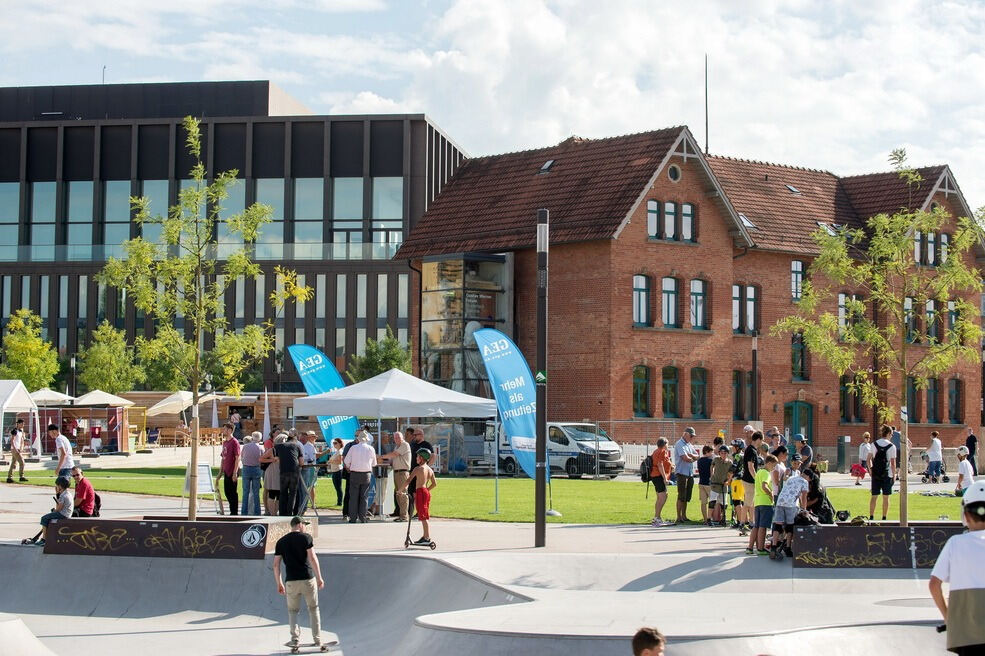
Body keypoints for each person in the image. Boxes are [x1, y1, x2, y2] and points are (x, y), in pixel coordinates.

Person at [928, 480, 985, 654]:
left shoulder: (955, 544)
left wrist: (948, 618)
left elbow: (934, 584)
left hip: (966, 633)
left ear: (966, 515)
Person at [273, 516, 327, 651]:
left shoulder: (281, 542)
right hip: (307, 579)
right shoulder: (306, 538)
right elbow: (313, 558)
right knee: (313, 609)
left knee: (292, 611)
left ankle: (295, 640)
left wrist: (279, 583)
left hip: (291, 581)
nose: (305, 527)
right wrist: (319, 577)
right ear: (299, 524)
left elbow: (275, 565)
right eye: (304, 525)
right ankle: (317, 639)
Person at [770, 454, 809, 559]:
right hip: (791, 504)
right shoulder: (791, 472)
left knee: (778, 524)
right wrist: (804, 509)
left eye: (798, 463)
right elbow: (803, 496)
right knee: (790, 526)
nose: (796, 465)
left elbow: (799, 495)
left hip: (781, 501)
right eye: (795, 463)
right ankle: (787, 547)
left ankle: (774, 546)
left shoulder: (798, 473)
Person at [400, 448, 437, 544]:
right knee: (424, 514)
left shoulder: (418, 469)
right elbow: (434, 484)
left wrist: (400, 490)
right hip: (425, 492)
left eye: (417, 456)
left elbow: (408, 480)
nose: (416, 458)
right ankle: (425, 536)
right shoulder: (429, 469)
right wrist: (427, 490)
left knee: (423, 516)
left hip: (420, 491)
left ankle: (426, 537)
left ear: (421, 458)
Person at [343, 431, 377, 523]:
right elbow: (374, 463)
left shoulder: (353, 448)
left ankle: (353, 518)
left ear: (358, 439)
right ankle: (363, 517)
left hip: (354, 474)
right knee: (364, 497)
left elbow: (346, 461)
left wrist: (350, 467)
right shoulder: (371, 449)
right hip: (366, 474)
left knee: (353, 497)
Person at [378, 431, 411, 521]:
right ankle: (401, 515)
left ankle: (404, 516)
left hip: (402, 473)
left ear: (402, 437)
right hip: (397, 472)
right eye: (395, 438)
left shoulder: (405, 445)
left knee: (402, 494)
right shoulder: (397, 446)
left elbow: (394, 455)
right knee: (398, 494)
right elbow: (393, 458)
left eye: (398, 437)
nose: (396, 439)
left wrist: (381, 457)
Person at [746, 454, 776, 556]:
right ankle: (760, 548)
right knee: (763, 527)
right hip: (765, 502)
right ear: (769, 463)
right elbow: (764, 486)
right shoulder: (766, 473)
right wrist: (771, 494)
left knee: (756, 526)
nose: (774, 468)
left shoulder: (759, 472)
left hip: (758, 501)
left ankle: (750, 547)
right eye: (773, 465)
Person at [868, 425, 897, 521]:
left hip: (876, 473)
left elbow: (868, 460)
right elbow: (893, 463)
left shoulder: (874, 444)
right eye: (891, 434)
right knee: (886, 497)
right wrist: (894, 475)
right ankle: (884, 517)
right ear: (888, 433)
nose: (891, 436)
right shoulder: (892, 446)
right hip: (887, 474)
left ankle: (871, 516)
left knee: (874, 496)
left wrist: (871, 470)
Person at [271, 432, 304, 517]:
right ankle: (290, 513)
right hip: (294, 471)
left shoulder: (278, 446)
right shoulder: (297, 446)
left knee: (283, 492)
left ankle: (282, 513)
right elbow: (301, 462)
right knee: (293, 493)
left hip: (283, 471)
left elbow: (276, 459)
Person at [36, 476, 73, 547]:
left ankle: (44, 539)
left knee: (44, 518)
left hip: (63, 514)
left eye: (57, 485)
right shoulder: (67, 493)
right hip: (66, 513)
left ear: (60, 486)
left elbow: (59, 508)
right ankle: (45, 537)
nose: (56, 487)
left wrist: (54, 512)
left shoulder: (63, 495)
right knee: (48, 517)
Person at [672, 427, 699, 523]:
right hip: (682, 473)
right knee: (681, 496)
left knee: (687, 496)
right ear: (686, 434)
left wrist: (691, 456)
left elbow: (697, 455)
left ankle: (684, 515)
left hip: (689, 473)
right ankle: (678, 517)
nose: (692, 438)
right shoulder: (680, 444)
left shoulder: (689, 444)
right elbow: (685, 458)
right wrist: (692, 458)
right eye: (691, 436)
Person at [406, 427, 433, 517]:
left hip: (421, 473)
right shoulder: (412, 444)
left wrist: (427, 468)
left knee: (419, 493)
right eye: (413, 435)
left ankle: (420, 512)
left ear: (421, 435)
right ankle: (410, 512)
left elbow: (433, 456)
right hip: (413, 471)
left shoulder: (427, 445)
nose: (414, 436)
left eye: (416, 435)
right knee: (411, 492)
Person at [649, 438, 673, 526]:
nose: (668, 445)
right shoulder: (662, 451)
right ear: (664, 444)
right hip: (658, 476)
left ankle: (657, 517)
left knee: (660, 497)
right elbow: (660, 464)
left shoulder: (656, 451)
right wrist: (664, 478)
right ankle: (656, 518)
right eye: (667, 444)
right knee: (663, 496)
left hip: (655, 476)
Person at [741, 432, 763, 530]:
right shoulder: (752, 451)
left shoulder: (751, 449)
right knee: (748, 503)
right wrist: (756, 478)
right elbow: (751, 467)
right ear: (758, 439)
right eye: (761, 440)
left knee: (752, 502)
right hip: (749, 480)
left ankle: (751, 522)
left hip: (749, 480)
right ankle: (742, 522)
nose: (761, 442)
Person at [219, 422, 240, 515]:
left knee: (232, 492)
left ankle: (234, 512)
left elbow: (237, 457)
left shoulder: (234, 442)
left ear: (230, 430)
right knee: (227, 492)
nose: (224, 431)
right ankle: (232, 510)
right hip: (226, 471)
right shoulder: (225, 442)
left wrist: (235, 472)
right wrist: (220, 472)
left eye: (225, 429)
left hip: (232, 470)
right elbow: (223, 457)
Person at [240, 431, 264, 515]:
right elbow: (262, 459)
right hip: (256, 469)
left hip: (246, 468)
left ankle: (244, 512)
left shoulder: (246, 446)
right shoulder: (261, 448)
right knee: (256, 492)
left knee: (245, 492)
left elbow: (242, 457)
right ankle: (257, 512)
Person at [298, 431, 321, 514]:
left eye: (315, 437)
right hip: (297, 469)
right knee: (299, 489)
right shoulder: (298, 444)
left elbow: (312, 458)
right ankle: (298, 507)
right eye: (313, 437)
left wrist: (304, 460)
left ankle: (304, 508)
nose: (314, 438)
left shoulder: (310, 446)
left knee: (307, 488)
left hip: (307, 469)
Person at [262, 435, 285, 515]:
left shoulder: (285, 450)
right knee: (272, 492)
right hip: (272, 472)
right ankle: (272, 513)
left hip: (280, 473)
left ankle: (275, 512)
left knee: (279, 494)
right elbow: (261, 459)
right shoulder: (272, 450)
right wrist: (272, 460)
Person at [708, 445, 731, 526]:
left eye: (725, 453)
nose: (723, 454)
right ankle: (708, 518)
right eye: (722, 453)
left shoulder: (729, 462)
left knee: (724, 503)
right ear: (719, 453)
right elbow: (712, 466)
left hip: (724, 484)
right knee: (712, 501)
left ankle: (722, 518)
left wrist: (728, 481)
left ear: (727, 453)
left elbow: (730, 473)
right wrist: (712, 474)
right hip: (715, 483)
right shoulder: (716, 459)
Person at [696, 445, 714, 524]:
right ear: (707, 452)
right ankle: (711, 517)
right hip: (709, 483)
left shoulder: (699, 460)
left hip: (701, 482)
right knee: (712, 501)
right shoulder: (711, 460)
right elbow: (712, 472)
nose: (712, 453)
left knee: (703, 503)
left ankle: (705, 519)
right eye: (711, 452)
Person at [327, 438, 344, 507]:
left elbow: (340, 462)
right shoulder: (337, 451)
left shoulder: (340, 451)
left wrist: (331, 461)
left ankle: (339, 502)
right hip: (335, 471)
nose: (334, 444)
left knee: (338, 487)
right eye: (333, 443)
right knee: (337, 487)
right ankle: (339, 501)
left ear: (340, 443)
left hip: (338, 471)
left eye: (335, 443)